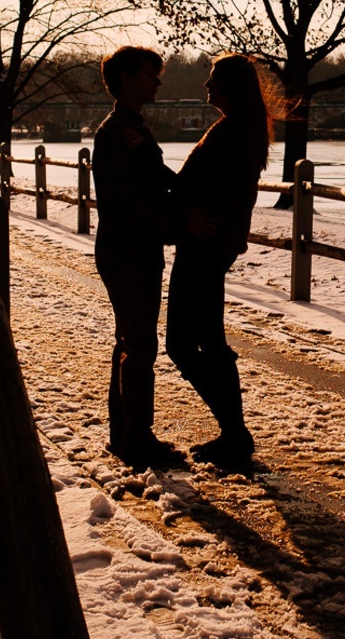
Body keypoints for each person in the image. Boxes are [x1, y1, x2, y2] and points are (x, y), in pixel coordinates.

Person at [165, 53, 271, 468]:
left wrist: (187, 219)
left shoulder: (230, 134)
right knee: (208, 340)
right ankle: (233, 434)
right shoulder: (242, 131)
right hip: (213, 246)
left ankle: (235, 432)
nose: (206, 87)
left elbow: (207, 191)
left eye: (212, 80)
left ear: (229, 86)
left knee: (183, 344)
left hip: (203, 248)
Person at [91, 46, 182, 468]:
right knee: (139, 343)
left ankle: (126, 432)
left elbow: (155, 180)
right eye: (150, 74)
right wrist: (176, 225)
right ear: (126, 79)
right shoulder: (115, 133)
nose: (157, 81)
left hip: (134, 249)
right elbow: (128, 199)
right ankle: (136, 437)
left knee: (131, 341)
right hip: (127, 251)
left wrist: (184, 194)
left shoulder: (134, 129)